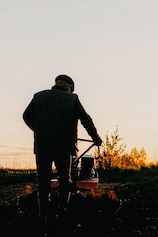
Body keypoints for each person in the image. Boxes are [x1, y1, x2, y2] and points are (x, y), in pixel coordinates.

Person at [23, 74, 103, 220]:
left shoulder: (39, 96)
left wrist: (38, 130)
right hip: (64, 147)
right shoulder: (72, 99)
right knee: (65, 180)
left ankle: (44, 216)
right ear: (69, 87)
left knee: (43, 182)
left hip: (42, 146)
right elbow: (86, 119)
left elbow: (26, 116)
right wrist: (96, 139)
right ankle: (62, 211)